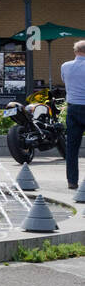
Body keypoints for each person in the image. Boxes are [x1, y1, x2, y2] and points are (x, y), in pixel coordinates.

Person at [62, 40, 85, 191]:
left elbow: (65, 82)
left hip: (72, 109)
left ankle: (72, 181)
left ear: (75, 51)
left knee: (72, 147)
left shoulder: (65, 66)